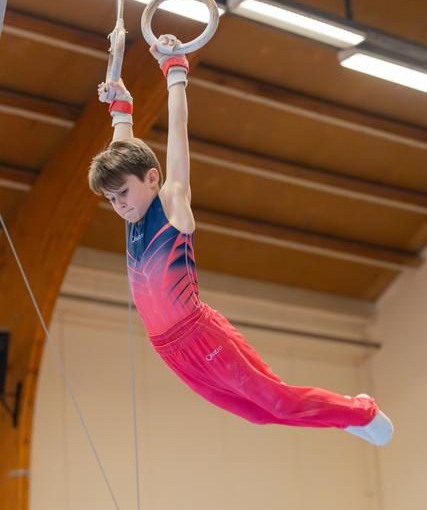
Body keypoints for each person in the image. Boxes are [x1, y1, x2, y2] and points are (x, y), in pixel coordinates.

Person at [88, 35, 393, 446]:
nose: (118, 205)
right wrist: (120, 108)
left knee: (279, 402)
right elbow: (123, 156)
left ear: (153, 179)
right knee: (258, 415)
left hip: (202, 336)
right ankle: (343, 414)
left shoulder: (171, 202)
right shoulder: (134, 221)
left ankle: (360, 411)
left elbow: (178, 132)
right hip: (169, 349)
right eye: (110, 199)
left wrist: (175, 70)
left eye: (123, 194)